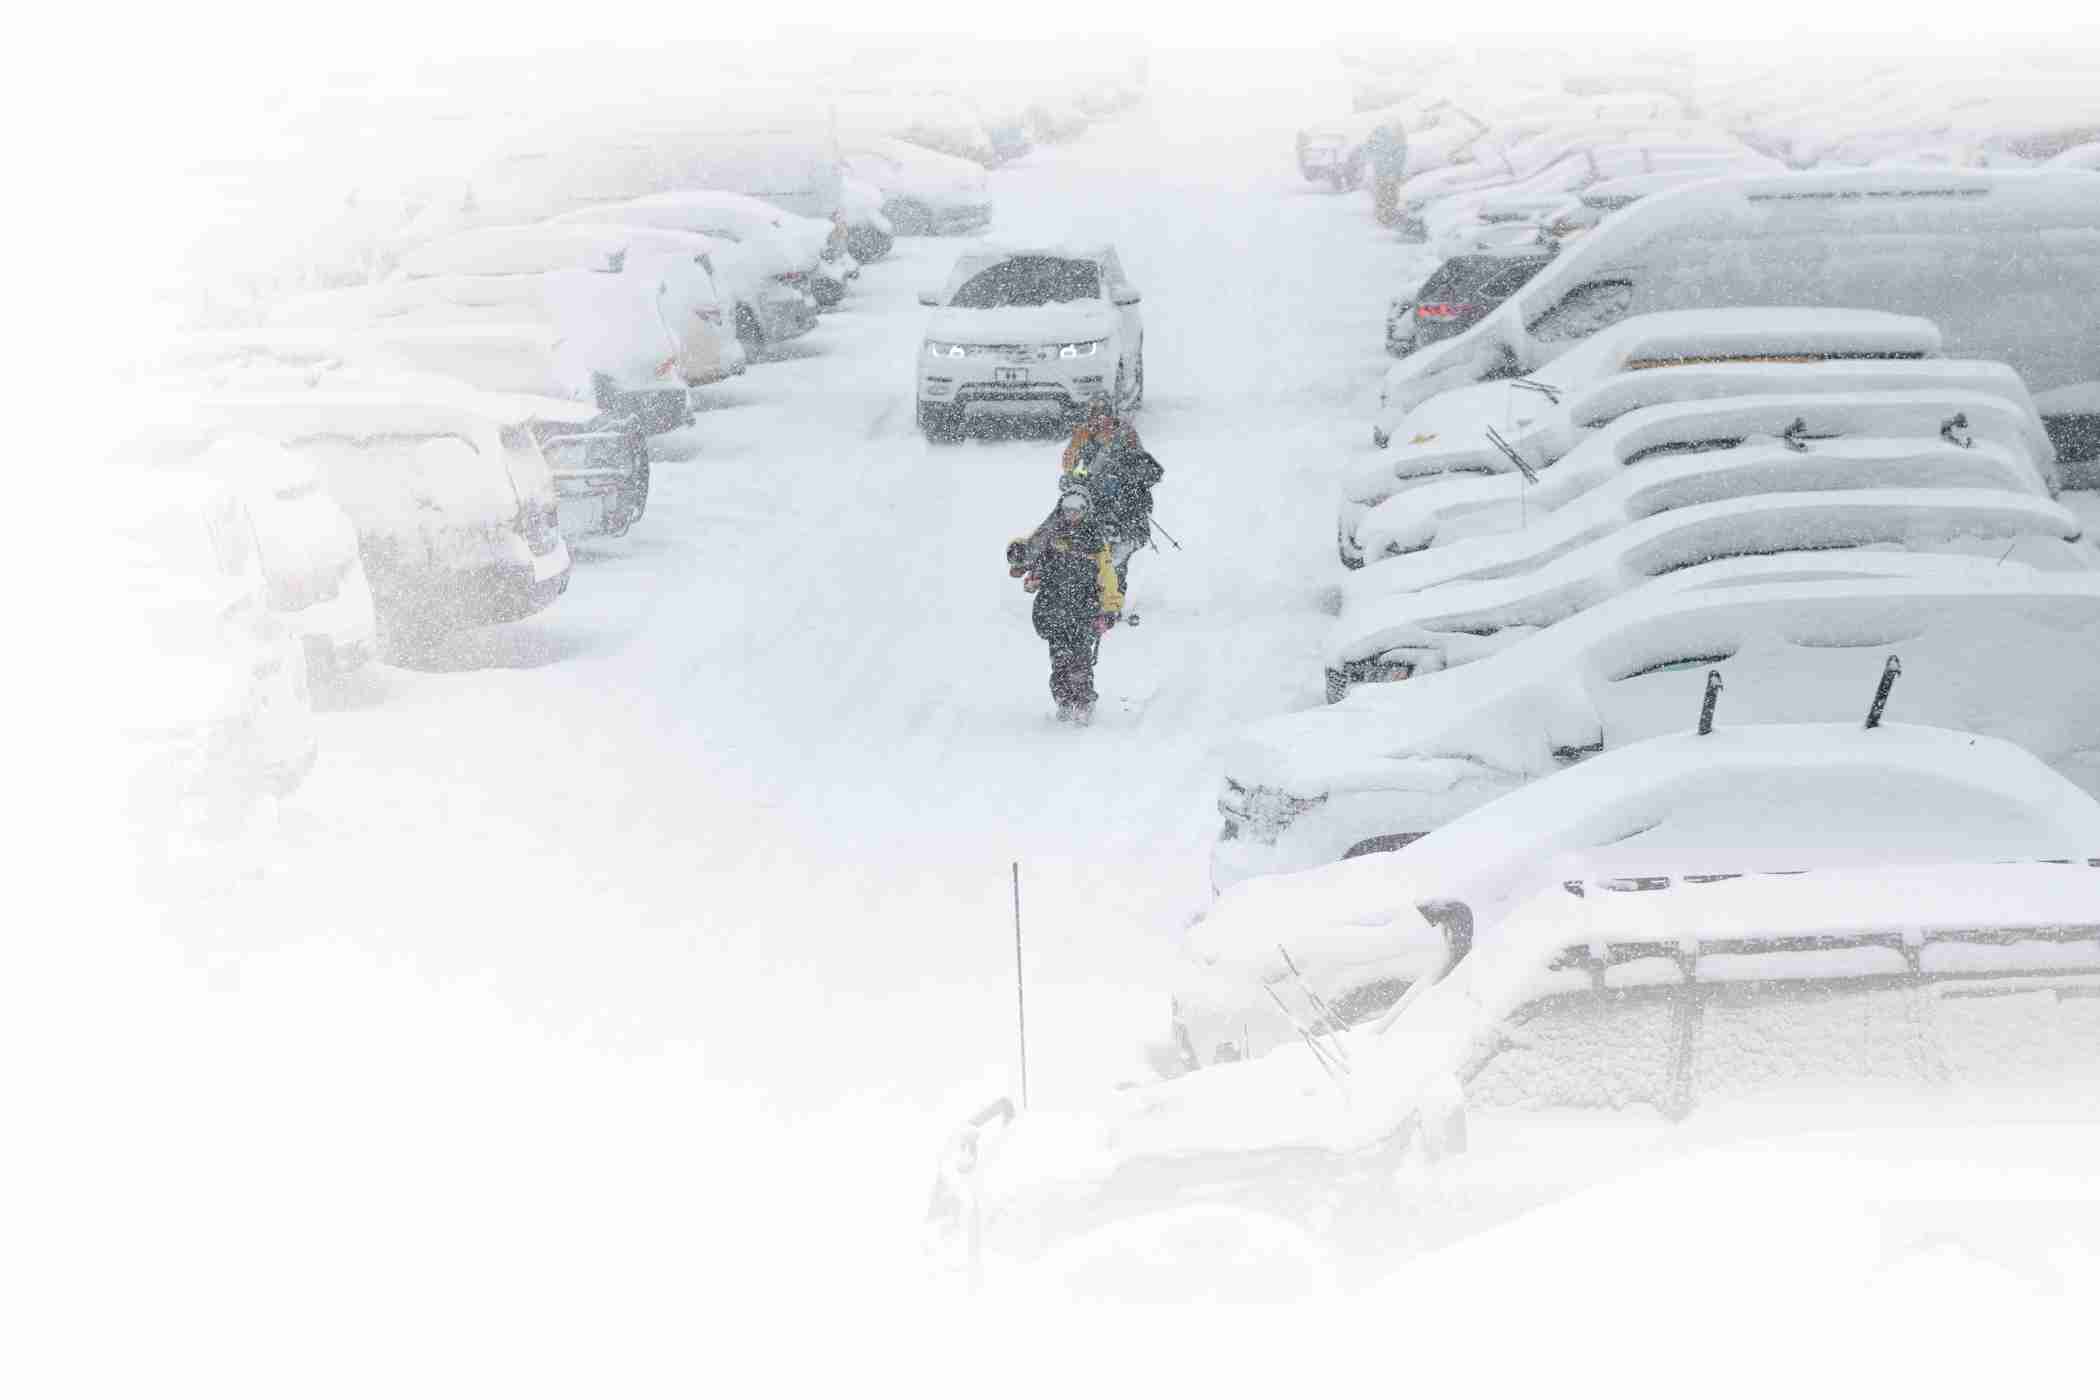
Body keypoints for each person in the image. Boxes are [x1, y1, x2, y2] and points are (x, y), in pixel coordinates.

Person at [1007, 486, 1123, 724]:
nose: (1071, 513)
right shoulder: (1050, 533)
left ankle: (1083, 701)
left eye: (1077, 508)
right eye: (1067, 507)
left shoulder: (1095, 539)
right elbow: (1029, 552)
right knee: (1059, 656)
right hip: (1053, 606)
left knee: (1080, 656)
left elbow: (1108, 574)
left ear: (1086, 509)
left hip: (1083, 607)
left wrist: (1110, 607)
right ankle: (1063, 699)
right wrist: (1019, 555)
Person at [1058, 396, 1163, 594]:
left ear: (1111, 415)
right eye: (1094, 414)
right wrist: (1073, 477)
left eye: (1102, 414)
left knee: (1117, 556)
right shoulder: (1083, 434)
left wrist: (1123, 477)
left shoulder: (1125, 434)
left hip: (1125, 507)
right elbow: (1070, 461)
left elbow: (1142, 466)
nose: (1098, 419)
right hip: (1093, 503)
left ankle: (1114, 598)